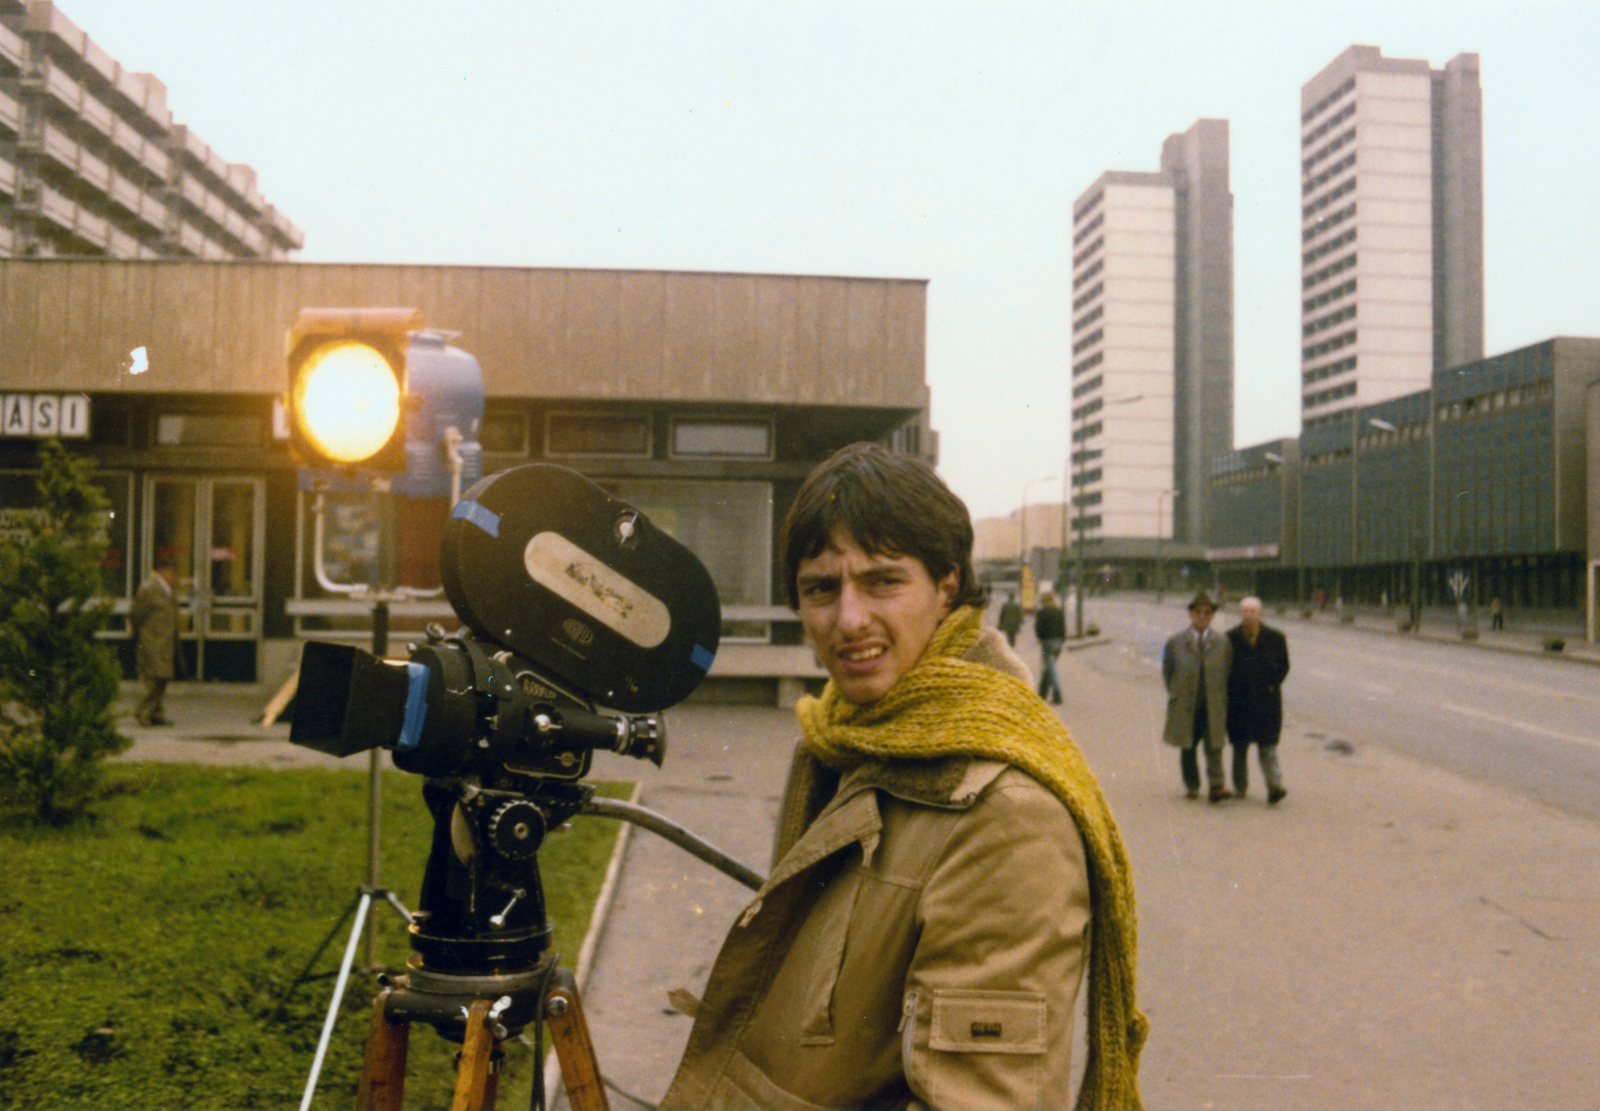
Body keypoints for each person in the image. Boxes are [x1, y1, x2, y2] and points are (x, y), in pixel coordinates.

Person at [663, 443, 1146, 1110]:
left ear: (947, 584)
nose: (849, 619)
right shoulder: (843, 739)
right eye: (821, 588)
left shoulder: (1006, 816)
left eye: (883, 580)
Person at [1162, 590, 1231, 802]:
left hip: (1212, 703)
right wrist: (1176, 692)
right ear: (1191, 614)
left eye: (1207, 612)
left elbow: (1227, 671)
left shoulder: (1222, 643)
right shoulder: (1176, 642)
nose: (1202, 616)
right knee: (1188, 745)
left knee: (1214, 745)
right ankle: (1192, 785)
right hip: (1186, 702)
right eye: (1198, 612)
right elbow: (1168, 671)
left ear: (1212, 616)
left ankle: (1216, 786)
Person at [1225, 596, 1291, 804]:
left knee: (1268, 748)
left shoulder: (1275, 638)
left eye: (1253, 611)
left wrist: (1269, 684)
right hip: (1239, 702)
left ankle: (1275, 787)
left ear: (1261, 614)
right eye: (1244, 611)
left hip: (1266, 702)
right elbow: (1225, 668)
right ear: (1240, 614)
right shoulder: (1230, 638)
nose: (1248, 614)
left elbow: (1283, 667)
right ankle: (1240, 788)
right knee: (1239, 748)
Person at [130, 557, 181, 726]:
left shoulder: (167, 589)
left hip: (166, 641)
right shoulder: (149, 588)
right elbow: (137, 613)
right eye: (172, 573)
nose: (175, 576)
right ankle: (142, 712)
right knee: (154, 678)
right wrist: (139, 634)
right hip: (151, 640)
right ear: (163, 571)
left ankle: (156, 713)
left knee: (163, 678)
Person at [1034, 589, 1066, 704]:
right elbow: (1063, 628)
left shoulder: (1042, 612)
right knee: (1048, 667)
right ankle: (1042, 694)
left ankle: (1058, 696)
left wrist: (1041, 639)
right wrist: (1062, 640)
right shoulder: (1059, 611)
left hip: (1047, 644)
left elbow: (1039, 629)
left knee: (1050, 668)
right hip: (1058, 644)